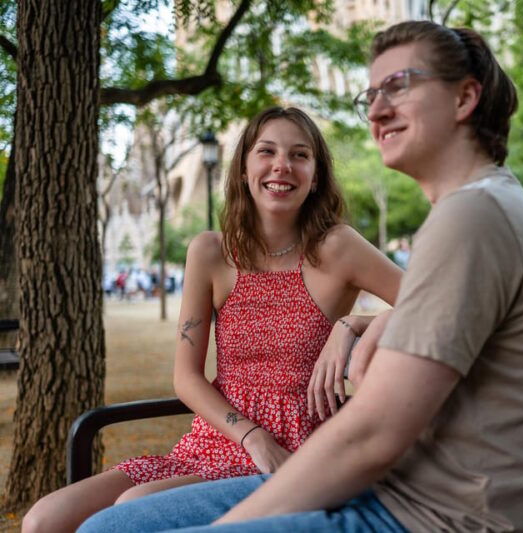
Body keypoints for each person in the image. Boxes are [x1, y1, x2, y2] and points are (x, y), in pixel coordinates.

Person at [77, 20, 523, 533]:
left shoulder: (471, 218)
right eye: (372, 94)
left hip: (432, 513)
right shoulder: (471, 211)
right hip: (395, 489)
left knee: (113, 529)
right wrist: (360, 324)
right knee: (107, 525)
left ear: (465, 98)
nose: (379, 110)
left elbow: (369, 436)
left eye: (400, 86)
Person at [22, 106, 402, 533]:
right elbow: (186, 377)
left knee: (134, 507)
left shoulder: (338, 247)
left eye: (300, 155)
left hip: (297, 446)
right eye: (267, 151)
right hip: (216, 438)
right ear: (243, 168)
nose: (282, 165)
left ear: (316, 176)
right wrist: (251, 436)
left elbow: (432, 304)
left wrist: (351, 325)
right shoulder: (210, 253)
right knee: (42, 520)